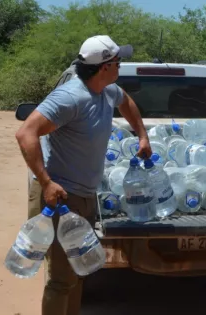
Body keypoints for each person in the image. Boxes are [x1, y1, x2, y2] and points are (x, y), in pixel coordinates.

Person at [15, 35, 152, 315]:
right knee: (61, 280)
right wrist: (46, 182)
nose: (120, 66)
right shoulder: (70, 98)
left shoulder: (107, 90)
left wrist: (142, 135)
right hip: (61, 197)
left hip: (86, 196)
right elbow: (25, 132)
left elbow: (126, 101)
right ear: (104, 67)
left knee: (78, 272)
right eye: (118, 61)